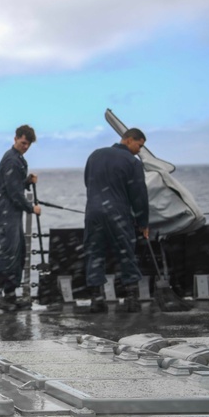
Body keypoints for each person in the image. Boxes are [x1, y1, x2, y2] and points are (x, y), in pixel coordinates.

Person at [83, 128, 150, 313]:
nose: (139, 150)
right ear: (128, 140)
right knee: (126, 253)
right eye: (139, 145)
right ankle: (131, 301)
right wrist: (143, 222)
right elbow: (139, 195)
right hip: (118, 213)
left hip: (93, 213)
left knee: (94, 254)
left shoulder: (95, 155)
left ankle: (97, 300)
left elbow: (88, 183)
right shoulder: (132, 162)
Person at [0, 125, 41, 312]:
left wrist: (26, 181)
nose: (25, 147)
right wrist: (31, 208)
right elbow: (13, 192)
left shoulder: (18, 160)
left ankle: (10, 295)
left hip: (10, 212)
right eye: (23, 142)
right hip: (4, 211)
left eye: (28, 145)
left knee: (18, 253)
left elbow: (14, 185)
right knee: (9, 251)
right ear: (16, 138)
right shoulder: (11, 160)